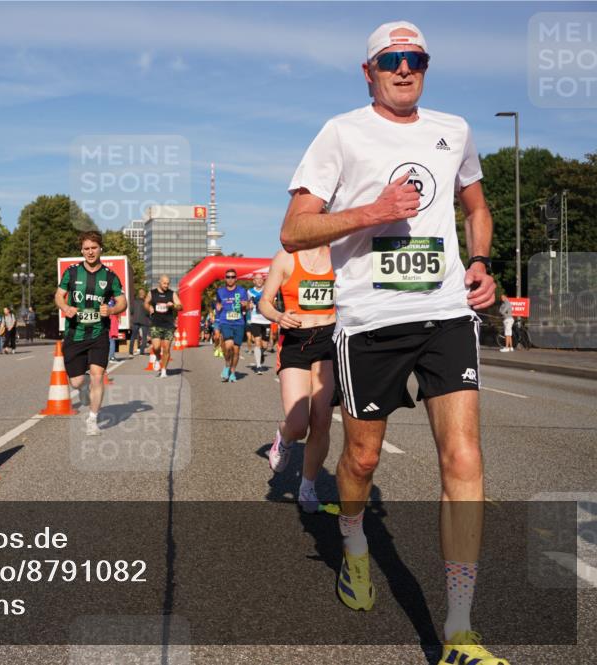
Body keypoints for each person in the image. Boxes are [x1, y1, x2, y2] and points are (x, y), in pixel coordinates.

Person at [281, 21, 503, 664]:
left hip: (445, 312)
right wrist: (372, 212)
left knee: (463, 459)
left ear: (426, 66)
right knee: (363, 461)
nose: (405, 69)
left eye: (417, 59)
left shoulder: (454, 129)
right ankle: (353, 539)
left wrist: (482, 262)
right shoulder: (341, 132)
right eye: (392, 60)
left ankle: (459, 631)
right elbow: (295, 231)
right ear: (369, 69)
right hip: (369, 322)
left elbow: (476, 206)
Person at [258, 247, 336, 512]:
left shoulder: (341, 253)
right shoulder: (285, 257)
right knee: (298, 423)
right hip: (296, 341)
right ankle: (284, 435)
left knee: (322, 420)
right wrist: (279, 316)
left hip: (330, 338)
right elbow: (264, 302)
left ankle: (307, 487)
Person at [54, 230, 127, 436]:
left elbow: (123, 301)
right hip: (75, 333)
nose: (90, 252)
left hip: (98, 334)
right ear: (81, 250)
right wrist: (65, 307)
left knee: (97, 376)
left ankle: (92, 420)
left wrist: (112, 309)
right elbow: (59, 296)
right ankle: (83, 388)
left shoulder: (110, 276)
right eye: (86, 248)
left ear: (100, 248)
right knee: (76, 382)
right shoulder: (72, 272)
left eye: (94, 248)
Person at [215, 269, 249, 382]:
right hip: (226, 322)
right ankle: (226, 366)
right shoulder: (220, 291)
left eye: (232, 277)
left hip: (239, 323)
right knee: (228, 345)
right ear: (225, 278)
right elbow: (218, 304)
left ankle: (233, 372)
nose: (230, 279)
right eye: (228, 277)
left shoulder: (242, 291)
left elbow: (247, 306)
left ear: (236, 278)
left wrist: (245, 305)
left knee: (236, 350)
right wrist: (217, 308)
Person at [145, 275, 182, 378]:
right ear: (159, 282)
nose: (166, 285)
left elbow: (180, 306)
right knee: (156, 347)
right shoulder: (152, 293)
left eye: (168, 283)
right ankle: (157, 358)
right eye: (164, 283)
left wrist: (173, 305)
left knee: (166, 348)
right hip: (155, 324)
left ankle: (164, 370)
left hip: (168, 325)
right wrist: (149, 307)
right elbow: (146, 303)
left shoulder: (172, 294)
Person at [247, 272, 271, 374]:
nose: (259, 280)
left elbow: (272, 303)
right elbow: (248, 305)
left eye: (261, 278)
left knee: (265, 345)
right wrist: (249, 306)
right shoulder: (249, 291)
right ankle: (258, 366)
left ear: (263, 280)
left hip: (266, 320)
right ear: (254, 281)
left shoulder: (268, 290)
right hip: (255, 319)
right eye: (257, 279)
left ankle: (260, 354)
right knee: (257, 342)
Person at [128, 288, 151, 357]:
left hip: (135, 320)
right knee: (144, 337)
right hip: (144, 320)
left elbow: (131, 311)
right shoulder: (146, 302)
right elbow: (148, 312)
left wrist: (134, 316)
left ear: (139, 294)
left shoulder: (134, 301)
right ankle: (141, 352)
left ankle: (130, 353)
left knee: (133, 336)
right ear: (144, 294)